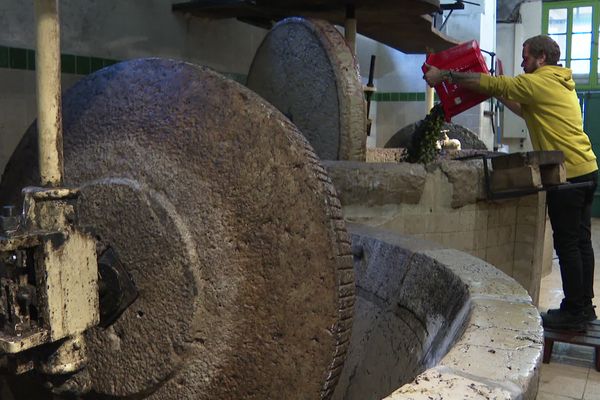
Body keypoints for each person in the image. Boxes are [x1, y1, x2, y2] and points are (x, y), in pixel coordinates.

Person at [424, 35, 598, 331]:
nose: (522, 62)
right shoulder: (557, 82)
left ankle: (575, 312)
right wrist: (501, 89)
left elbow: (496, 85)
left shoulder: (539, 82)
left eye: (526, 56)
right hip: (587, 169)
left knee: (568, 244)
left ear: (541, 58)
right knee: (581, 242)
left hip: (567, 173)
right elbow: (522, 107)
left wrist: (447, 75)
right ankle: (583, 306)